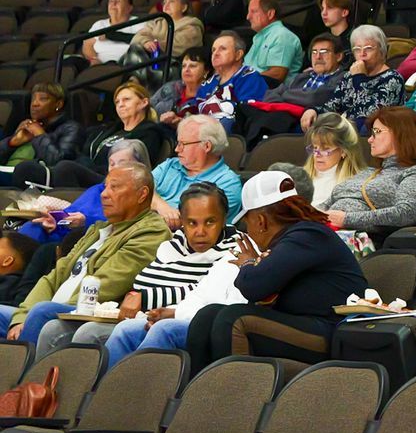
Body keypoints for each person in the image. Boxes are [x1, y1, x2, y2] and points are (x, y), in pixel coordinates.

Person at [184, 171, 368, 370]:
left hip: (331, 332)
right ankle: (200, 395)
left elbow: (253, 287)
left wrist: (248, 263)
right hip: (306, 326)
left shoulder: (307, 235)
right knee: (208, 315)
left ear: (261, 221)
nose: (247, 231)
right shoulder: (296, 237)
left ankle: (235, 397)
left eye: (247, 223)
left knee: (234, 318)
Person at [67, 182, 239, 368]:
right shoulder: (174, 244)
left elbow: (204, 291)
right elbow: (145, 281)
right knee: (81, 330)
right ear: (181, 220)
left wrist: (148, 299)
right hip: (148, 316)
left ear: (224, 220)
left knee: (119, 332)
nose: (200, 232)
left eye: (210, 222)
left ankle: (112, 391)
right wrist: (137, 296)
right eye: (191, 223)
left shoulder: (235, 250)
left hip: (188, 321)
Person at [1, 162, 169, 345]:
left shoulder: (151, 232)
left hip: (84, 315)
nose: (104, 194)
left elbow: (108, 284)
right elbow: (54, 276)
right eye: (105, 187)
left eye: (115, 187)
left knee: (42, 312)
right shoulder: (98, 229)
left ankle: (22, 371)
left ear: (142, 194)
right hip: (51, 308)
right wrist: (22, 317)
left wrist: (53, 312)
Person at [324, 106, 416, 235]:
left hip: (356, 240)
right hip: (324, 231)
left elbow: (406, 213)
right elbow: (326, 205)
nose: (370, 139)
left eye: (377, 132)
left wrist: (346, 219)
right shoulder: (367, 172)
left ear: (400, 134)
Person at [234, 33, 349, 145]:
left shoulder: (343, 78)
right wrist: (289, 104)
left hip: (309, 121)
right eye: (314, 52)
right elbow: (270, 95)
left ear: (338, 56)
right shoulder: (303, 76)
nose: (318, 56)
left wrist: (286, 97)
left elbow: (314, 98)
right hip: (284, 117)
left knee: (269, 121)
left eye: (324, 52)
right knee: (242, 112)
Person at [51, 80, 167, 188]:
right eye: (117, 102)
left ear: (144, 103)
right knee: (36, 168)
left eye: (126, 99)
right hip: (92, 173)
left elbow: (137, 167)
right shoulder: (108, 130)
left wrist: (88, 166)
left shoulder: (150, 133)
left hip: (115, 180)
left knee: (65, 168)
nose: (120, 104)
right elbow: (85, 152)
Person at [300, 25, 404, 129]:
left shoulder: (392, 78)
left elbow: (369, 113)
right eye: (357, 49)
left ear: (382, 51)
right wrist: (313, 110)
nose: (362, 54)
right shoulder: (350, 76)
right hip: (346, 130)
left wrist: (359, 78)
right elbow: (332, 106)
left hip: (372, 133)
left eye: (368, 49)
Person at [152, 115, 246, 221]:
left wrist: (151, 201)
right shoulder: (170, 165)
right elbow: (138, 190)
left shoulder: (228, 184)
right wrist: (161, 206)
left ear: (206, 146)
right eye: (178, 143)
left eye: (183, 144)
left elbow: (195, 224)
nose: (177, 149)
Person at [1, 83, 82, 185]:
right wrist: (11, 143)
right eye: (33, 99)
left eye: (42, 99)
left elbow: (60, 164)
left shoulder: (71, 128)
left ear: (58, 104)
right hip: (7, 173)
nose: (35, 104)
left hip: (31, 179)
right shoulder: (27, 126)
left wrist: (39, 135)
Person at [301, 112, 371, 210]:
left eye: (325, 149)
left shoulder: (358, 184)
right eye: (315, 147)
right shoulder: (298, 178)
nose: (317, 155)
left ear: (343, 151)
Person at [241, 0, 305, 84]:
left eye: (253, 11)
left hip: (271, 93)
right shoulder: (259, 37)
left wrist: (243, 80)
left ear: (270, 14)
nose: (248, 17)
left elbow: (277, 75)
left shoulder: (282, 36)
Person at [132, 0, 203, 64]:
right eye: (164, 2)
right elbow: (137, 37)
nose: (166, 5)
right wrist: (146, 42)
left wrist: (154, 44)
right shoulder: (156, 22)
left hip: (174, 65)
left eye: (171, 1)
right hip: (150, 61)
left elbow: (179, 46)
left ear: (184, 7)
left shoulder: (192, 26)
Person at [80, 0, 138, 66]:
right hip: (99, 65)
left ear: (129, 8)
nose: (113, 3)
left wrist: (110, 35)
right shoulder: (99, 24)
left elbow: (141, 40)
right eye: (111, 1)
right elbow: (87, 44)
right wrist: (94, 59)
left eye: (118, 1)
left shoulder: (138, 22)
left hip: (126, 64)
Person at [154, 47, 211, 124]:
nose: (186, 70)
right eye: (184, 66)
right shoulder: (171, 87)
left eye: (192, 66)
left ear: (206, 71)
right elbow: (149, 107)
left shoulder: (209, 97)